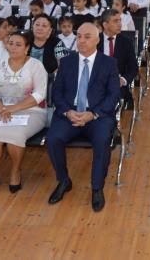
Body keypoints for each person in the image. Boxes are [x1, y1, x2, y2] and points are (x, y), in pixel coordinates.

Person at [46, 22, 121, 212]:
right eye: (78, 36)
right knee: (53, 138)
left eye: (87, 37)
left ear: (97, 40)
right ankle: (64, 180)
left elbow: (114, 95)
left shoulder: (109, 63)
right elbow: (57, 92)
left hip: (98, 115)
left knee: (102, 140)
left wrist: (92, 114)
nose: (81, 40)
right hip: (69, 113)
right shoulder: (67, 62)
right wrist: (67, 111)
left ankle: (97, 187)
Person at [0, 31, 48, 196]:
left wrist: (13, 108)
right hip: (2, 109)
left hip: (32, 110)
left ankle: (15, 171)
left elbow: (39, 94)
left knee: (15, 135)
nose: (13, 47)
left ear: (27, 48)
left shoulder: (36, 66)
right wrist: (0, 108)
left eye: (18, 44)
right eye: (11, 43)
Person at [97, 10, 139, 103]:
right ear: (105, 25)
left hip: (117, 86)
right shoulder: (95, 41)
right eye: (115, 21)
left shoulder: (126, 43)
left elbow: (133, 68)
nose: (120, 24)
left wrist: (122, 80)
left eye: (120, 20)